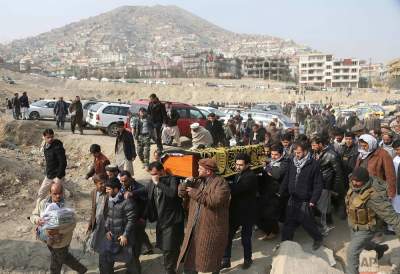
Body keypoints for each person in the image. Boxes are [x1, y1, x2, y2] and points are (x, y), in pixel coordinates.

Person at [177, 158, 230, 274]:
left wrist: (195, 193)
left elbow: (215, 201)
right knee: (191, 259)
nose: (197, 170)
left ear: (208, 171)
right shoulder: (198, 181)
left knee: (209, 259)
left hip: (210, 229)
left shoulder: (221, 183)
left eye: (200, 168)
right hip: (194, 227)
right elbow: (181, 193)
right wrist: (186, 183)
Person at [345, 167, 400, 274]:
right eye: (353, 180)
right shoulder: (353, 183)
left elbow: (393, 218)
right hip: (353, 224)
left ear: (365, 181)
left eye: (357, 181)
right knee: (362, 245)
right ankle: (379, 249)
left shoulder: (374, 197)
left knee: (352, 253)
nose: (354, 183)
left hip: (366, 229)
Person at [31, 182, 87, 274]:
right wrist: (37, 220)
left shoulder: (68, 206)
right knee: (63, 257)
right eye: (55, 193)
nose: (58, 196)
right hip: (47, 239)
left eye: (60, 193)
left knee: (55, 266)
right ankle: (81, 269)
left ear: (63, 192)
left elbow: (72, 224)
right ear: (50, 193)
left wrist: (58, 231)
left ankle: (80, 269)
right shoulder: (43, 203)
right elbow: (33, 215)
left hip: (62, 241)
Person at [279, 141, 324, 250]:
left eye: (299, 153)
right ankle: (286, 243)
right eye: (295, 152)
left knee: (307, 222)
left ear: (305, 151)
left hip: (305, 199)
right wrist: (281, 191)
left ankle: (318, 238)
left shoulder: (313, 164)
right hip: (292, 198)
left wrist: (313, 200)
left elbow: (318, 184)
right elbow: (287, 178)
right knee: (288, 221)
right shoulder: (292, 162)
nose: (296, 155)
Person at [143, 162, 185, 274]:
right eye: (152, 174)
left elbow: (172, 193)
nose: (153, 176)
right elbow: (145, 191)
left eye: (155, 173)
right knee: (168, 245)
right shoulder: (152, 181)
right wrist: (131, 193)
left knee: (168, 247)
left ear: (162, 171)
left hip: (172, 219)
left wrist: (158, 183)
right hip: (161, 220)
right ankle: (176, 261)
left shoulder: (172, 179)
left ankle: (169, 270)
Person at [221, 154, 258, 270]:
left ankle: (248, 259)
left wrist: (223, 184)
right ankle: (226, 260)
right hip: (235, 212)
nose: (237, 167)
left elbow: (237, 189)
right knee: (227, 236)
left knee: (245, 238)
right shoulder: (239, 174)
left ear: (247, 165)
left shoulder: (250, 176)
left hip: (247, 212)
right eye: (236, 164)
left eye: (240, 165)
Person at [99, 178, 140, 274]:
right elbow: (109, 216)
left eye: (108, 189)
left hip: (125, 238)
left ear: (116, 189)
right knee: (104, 259)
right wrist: (107, 230)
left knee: (131, 261)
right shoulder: (110, 200)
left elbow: (131, 220)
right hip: (112, 235)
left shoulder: (127, 202)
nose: (106, 191)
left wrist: (125, 235)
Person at [311, 134, 344, 234]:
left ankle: (326, 226)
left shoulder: (332, 155)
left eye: (314, 145)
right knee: (323, 205)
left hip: (326, 183)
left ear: (320, 144)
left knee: (323, 206)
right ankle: (328, 223)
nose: (312, 147)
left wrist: (335, 188)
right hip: (317, 182)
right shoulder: (316, 153)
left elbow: (338, 173)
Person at [258, 143, 288, 240]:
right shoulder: (270, 161)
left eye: (276, 155)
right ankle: (270, 230)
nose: (273, 157)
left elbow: (277, 174)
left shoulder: (285, 163)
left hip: (277, 192)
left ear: (281, 154)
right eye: (272, 154)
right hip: (268, 191)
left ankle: (275, 232)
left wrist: (267, 167)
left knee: (271, 213)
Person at [355, 134, 396, 199]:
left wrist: (390, 193)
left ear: (371, 144)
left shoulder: (383, 154)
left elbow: (390, 174)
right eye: (361, 146)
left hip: (377, 190)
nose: (363, 148)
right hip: (362, 189)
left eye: (365, 146)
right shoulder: (361, 154)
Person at [38, 129, 67, 202]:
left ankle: (61, 211)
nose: (50, 139)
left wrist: (59, 176)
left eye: (52, 137)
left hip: (58, 176)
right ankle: (38, 210)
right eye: (48, 137)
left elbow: (63, 162)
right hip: (49, 175)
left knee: (59, 196)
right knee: (41, 193)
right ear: (43, 137)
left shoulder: (57, 147)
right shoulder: (45, 145)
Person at [87, 174, 108, 253]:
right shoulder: (93, 193)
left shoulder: (108, 193)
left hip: (106, 221)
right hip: (97, 220)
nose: (103, 185)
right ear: (95, 184)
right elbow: (93, 209)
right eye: (101, 183)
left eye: (104, 182)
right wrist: (90, 223)